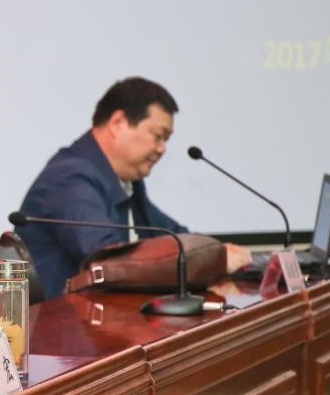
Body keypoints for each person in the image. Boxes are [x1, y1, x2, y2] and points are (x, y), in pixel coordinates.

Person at [16, 77, 252, 299]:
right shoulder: (69, 179)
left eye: (166, 140)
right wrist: (213, 261)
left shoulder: (127, 181)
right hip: (56, 324)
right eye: (158, 136)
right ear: (118, 123)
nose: (162, 149)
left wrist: (215, 252)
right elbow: (107, 260)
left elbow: (170, 235)